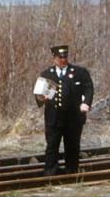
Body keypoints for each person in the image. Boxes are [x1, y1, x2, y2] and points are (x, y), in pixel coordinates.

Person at [34, 44, 94, 176]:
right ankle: (50, 172)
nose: (62, 60)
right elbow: (38, 95)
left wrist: (86, 103)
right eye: (59, 57)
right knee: (52, 145)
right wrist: (41, 98)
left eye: (64, 57)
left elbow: (88, 88)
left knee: (72, 145)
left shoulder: (79, 72)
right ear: (54, 58)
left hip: (73, 117)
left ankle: (71, 172)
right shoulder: (47, 74)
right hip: (54, 117)